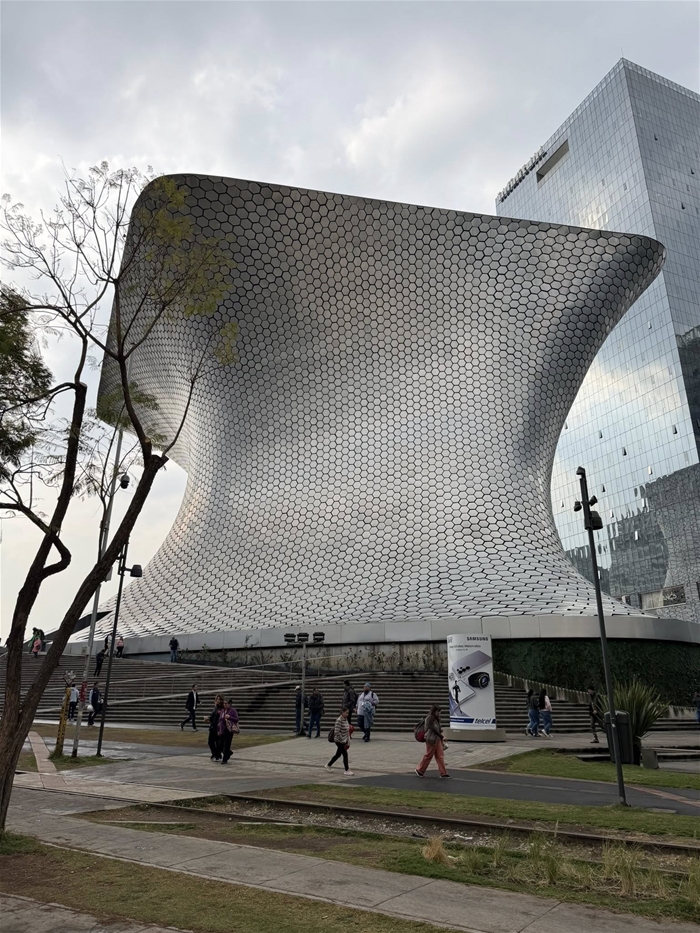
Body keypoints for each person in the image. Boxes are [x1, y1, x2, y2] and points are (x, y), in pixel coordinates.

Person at [415, 705, 450, 778]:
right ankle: (420, 770)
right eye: (438, 711)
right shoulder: (429, 718)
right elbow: (433, 729)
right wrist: (441, 736)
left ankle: (443, 773)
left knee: (440, 756)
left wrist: (441, 735)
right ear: (434, 711)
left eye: (439, 712)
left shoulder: (437, 719)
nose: (439, 713)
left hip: (437, 739)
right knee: (428, 755)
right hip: (431, 739)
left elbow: (438, 729)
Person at [325, 707, 354, 776]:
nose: (347, 714)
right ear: (342, 712)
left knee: (338, 754)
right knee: (345, 754)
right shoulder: (339, 720)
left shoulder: (345, 719)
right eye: (346, 713)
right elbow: (336, 732)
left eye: (348, 713)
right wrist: (341, 738)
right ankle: (347, 770)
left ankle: (328, 765)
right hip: (339, 741)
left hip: (343, 740)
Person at [218, 699, 239, 764]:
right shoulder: (222, 710)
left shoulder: (232, 711)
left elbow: (236, 719)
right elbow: (220, 720)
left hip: (229, 730)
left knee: (227, 744)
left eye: (226, 703)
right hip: (223, 729)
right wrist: (219, 729)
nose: (224, 705)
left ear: (229, 704)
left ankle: (225, 759)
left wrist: (230, 717)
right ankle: (228, 753)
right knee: (221, 744)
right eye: (224, 703)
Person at [208, 695, 224, 760]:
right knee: (210, 741)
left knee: (218, 742)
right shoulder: (215, 707)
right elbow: (212, 717)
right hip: (213, 726)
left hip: (218, 727)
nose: (217, 700)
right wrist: (208, 718)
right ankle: (214, 753)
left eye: (219, 699)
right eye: (216, 699)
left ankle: (218, 755)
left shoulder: (222, 708)